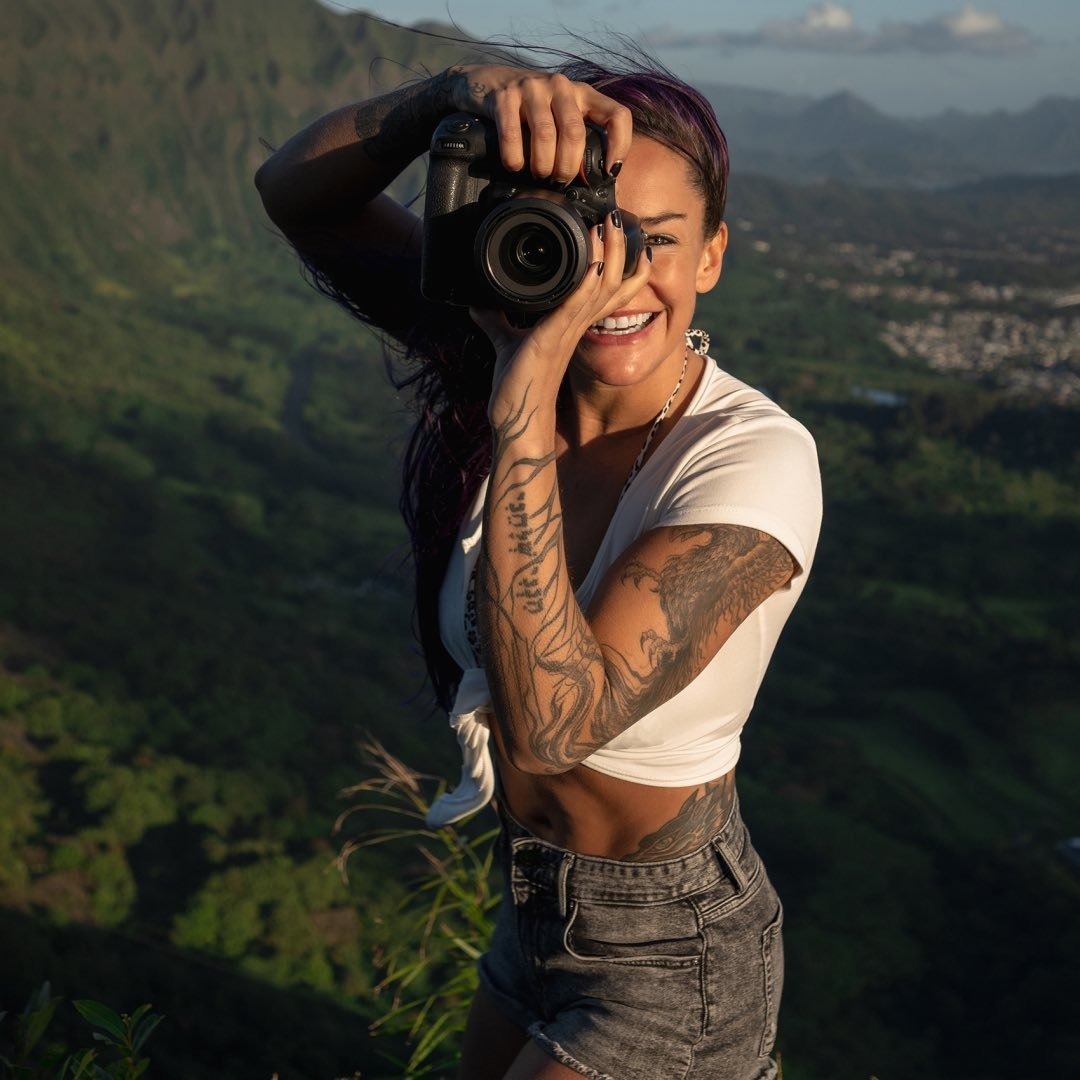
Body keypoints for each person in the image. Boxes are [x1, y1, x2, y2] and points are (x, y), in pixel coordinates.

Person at [256, 51, 821, 1080]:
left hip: (672, 954)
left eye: (655, 241)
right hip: (533, 916)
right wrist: (443, 96)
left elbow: (557, 725)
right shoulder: (499, 329)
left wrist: (522, 399)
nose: (613, 275)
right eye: (587, 232)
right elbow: (293, 195)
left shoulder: (756, 459)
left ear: (713, 258)